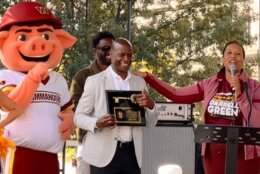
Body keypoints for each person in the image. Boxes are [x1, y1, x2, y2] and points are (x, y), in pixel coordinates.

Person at [133, 41, 260, 174]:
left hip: (245, 156)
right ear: (223, 59)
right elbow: (176, 94)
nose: (233, 57)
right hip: (214, 155)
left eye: (238, 54)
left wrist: (240, 95)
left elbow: (256, 120)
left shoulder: (255, 88)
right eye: (229, 53)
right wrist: (149, 78)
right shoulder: (210, 84)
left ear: (243, 61)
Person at [0, 2, 76, 174]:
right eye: (23, 37)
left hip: (50, 156)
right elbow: (11, 106)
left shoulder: (58, 80)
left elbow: (66, 108)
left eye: (47, 36)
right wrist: (33, 77)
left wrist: (69, 118)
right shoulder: (6, 76)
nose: (40, 43)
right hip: (19, 153)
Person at [74, 38, 157, 174]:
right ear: (111, 54)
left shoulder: (139, 83)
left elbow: (151, 123)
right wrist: (97, 123)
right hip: (102, 156)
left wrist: (151, 105)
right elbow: (78, 117)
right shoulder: (95, 81)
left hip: (132, 155)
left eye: (129, 55)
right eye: (122, 54)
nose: (126, 59)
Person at [70, 31, 115, 174]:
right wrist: (97, 121)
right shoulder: (82, 76)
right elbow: (75, 110)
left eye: (113, 48)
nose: (110, 52)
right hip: (89, 142)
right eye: (105, 48)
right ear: (95, 51)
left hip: (117, 144)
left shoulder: (123, 76)